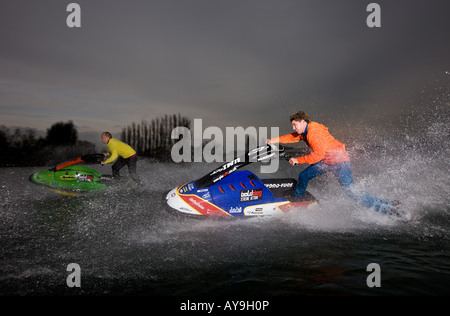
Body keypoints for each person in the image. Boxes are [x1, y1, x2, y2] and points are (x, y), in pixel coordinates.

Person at [267, 111, 396, 214]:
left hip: (339, 162)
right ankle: (297, 200)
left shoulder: (313, 133)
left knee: (351, 192)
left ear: (303, 122)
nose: (293, 127)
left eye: (295, 124)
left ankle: (389, 208)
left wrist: (298, 160)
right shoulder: (305, 131)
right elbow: (292, 137)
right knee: (304, 176)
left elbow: (318, 155)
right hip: (326, 162)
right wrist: (274, 140)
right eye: (293, 125)